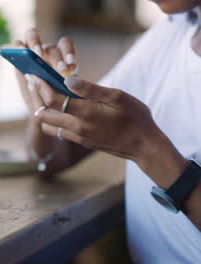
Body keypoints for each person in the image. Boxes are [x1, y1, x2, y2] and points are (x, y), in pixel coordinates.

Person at [12, 1, 201, 263]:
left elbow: (142, 145)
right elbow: (58, 155)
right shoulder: (169, 36)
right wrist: (48, 100)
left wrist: (148, 150)